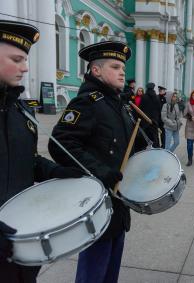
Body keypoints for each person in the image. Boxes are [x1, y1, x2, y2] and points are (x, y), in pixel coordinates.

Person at [48, 41, 140, 283]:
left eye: (123, 67)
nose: (122, 71)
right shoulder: (88, 102)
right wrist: (101, 171)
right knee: (94, 272)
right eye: (115, 66)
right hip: (96, 201)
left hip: (118, 201)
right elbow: (60, 144)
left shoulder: (119, 105)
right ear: (96, 70)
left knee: (110, 270)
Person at [0, 20, 83, 283]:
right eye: (16, 59)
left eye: (26, 59)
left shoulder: (19, 111)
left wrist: (56, 171)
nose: (25, 68)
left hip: (21, 236)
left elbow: (27, 161)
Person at [139, 82, 162, 148]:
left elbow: (141, 109)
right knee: (154, 138)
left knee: (145, 139)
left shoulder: (143, 97)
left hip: (145, 122)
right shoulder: (156, 97)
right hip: (154, 122)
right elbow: (159, 109)